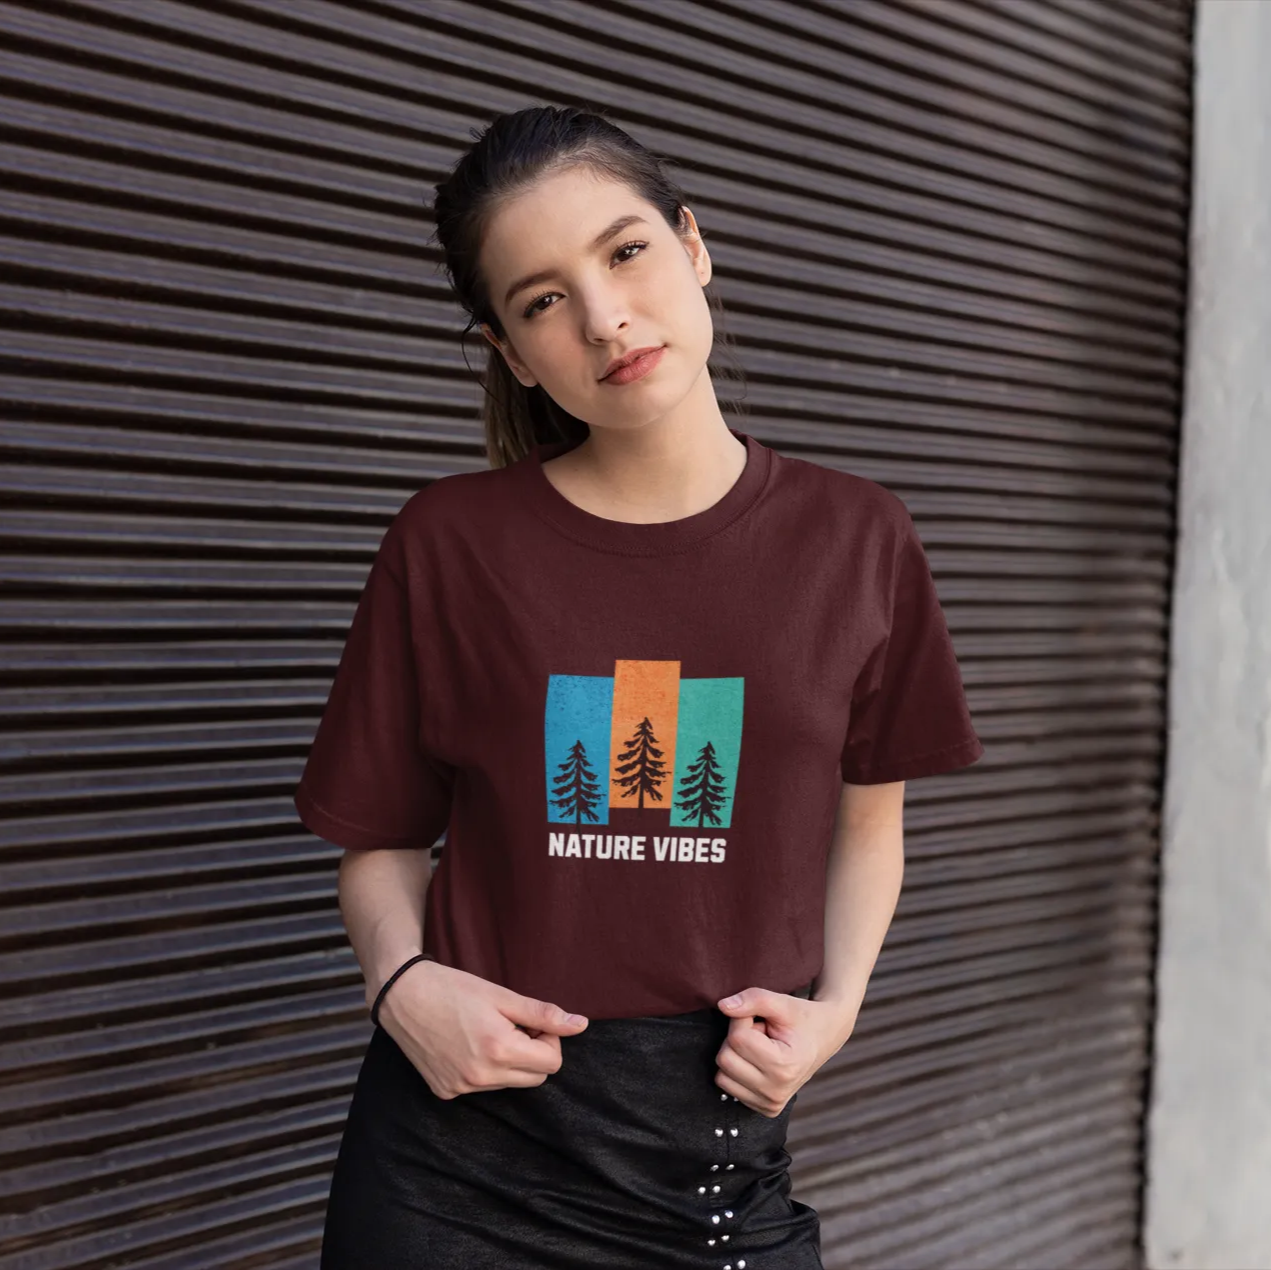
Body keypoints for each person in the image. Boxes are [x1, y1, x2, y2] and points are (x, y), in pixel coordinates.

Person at [294, 103, 984, 1270]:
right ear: (512, 354)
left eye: (624, 253)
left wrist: (837, 1011)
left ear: (692, 246)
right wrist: (399, 984)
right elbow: (378, 834)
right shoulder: (448, 543)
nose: (604, 318)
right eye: (541, 301)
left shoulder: (856, 538)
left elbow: (868, 821)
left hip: (711, 1152)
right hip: (451, 1160)